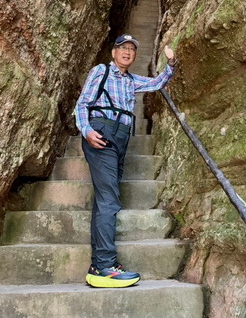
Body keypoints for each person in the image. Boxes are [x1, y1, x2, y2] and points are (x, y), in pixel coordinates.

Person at [74, 33, 177, 288]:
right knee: (109, 200)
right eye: (123, 48)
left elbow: (157, 83)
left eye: (131, 49)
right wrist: (86, 130)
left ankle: (99, 263)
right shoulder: (101, 72)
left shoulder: (131, 80)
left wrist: (171, 64)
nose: (127, 52)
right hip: (102, 133)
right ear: (114, 52)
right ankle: (105, 267)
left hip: (121, 140)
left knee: (105, 200)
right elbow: (82, 103)